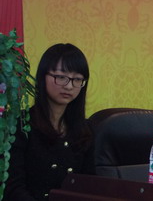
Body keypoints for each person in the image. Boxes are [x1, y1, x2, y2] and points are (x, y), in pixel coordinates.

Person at [5, 43, 94, 201]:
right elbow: (13, 189)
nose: (69, 86)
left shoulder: (84, 130)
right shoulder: (21, 126)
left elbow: (90, 186)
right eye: (61, 77)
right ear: (43, 77)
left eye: (77, 79)